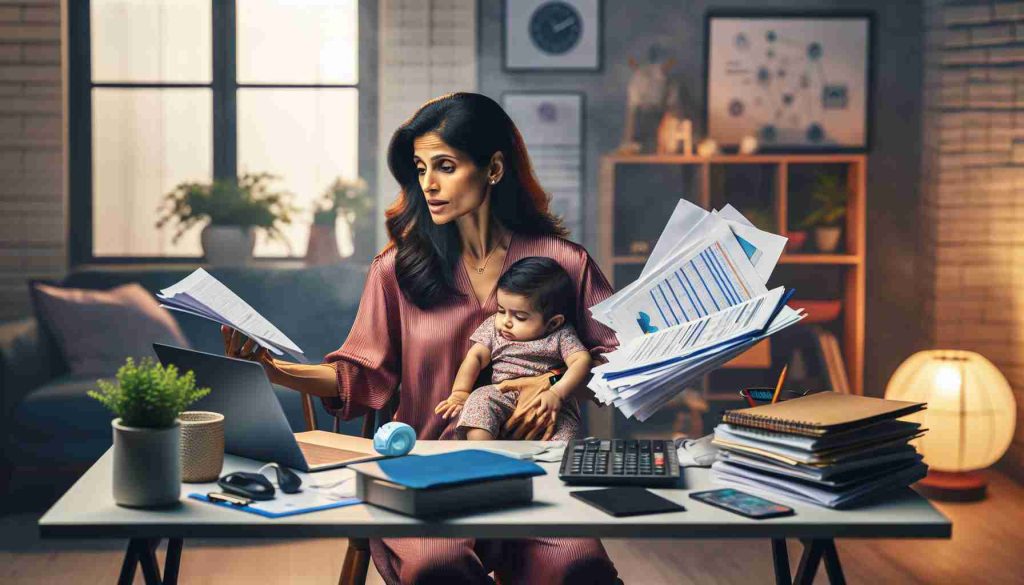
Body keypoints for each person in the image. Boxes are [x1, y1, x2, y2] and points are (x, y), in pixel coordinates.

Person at [222, 92, 619, 584]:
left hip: (537, 471)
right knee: (440, 568)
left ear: (493, 169)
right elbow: (362, 376)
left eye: (446, 166)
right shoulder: (396, 270)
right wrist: (277, 370)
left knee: (579, 570)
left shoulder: (564, 262)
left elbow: (619, 359)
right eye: (420, 167)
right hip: (428, 473)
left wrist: (556, 383)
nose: (428, 184)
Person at [435, 256, 593, 441]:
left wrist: (557, 393)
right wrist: (460, 392)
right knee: (479, 399)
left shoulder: (561, 335)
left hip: (546, 400)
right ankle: (483, 454)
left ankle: (554, 461)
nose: (506, 322)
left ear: (553, 323)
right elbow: (475, 357)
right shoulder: (494, 327)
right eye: (501, 310)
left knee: (566, 426)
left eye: (520, 316)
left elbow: (582, 360)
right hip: (502, 393)